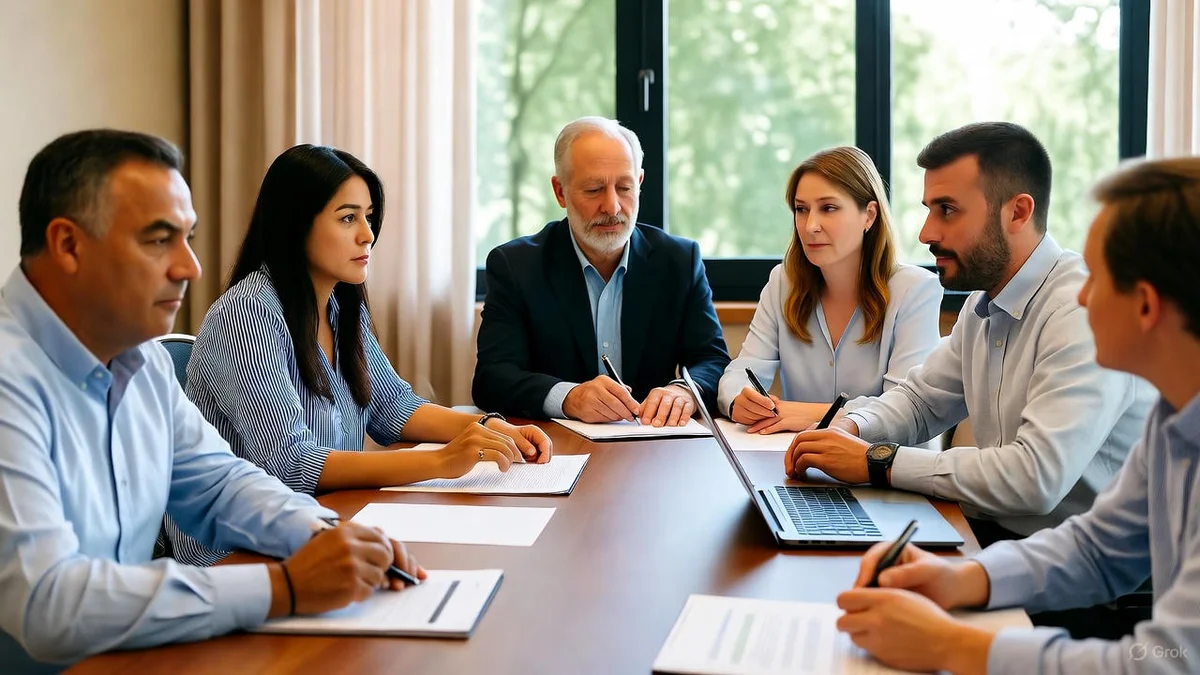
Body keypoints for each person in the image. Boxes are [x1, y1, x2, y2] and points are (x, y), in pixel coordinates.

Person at [0, 130, 424, 675]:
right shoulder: (11, 378)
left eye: (188, 238)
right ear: (68, 245)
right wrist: (283, 587)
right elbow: (48, 603)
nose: (190, 267)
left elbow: (221, 484)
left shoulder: (140, 360)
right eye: (159, 240)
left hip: (134, 653)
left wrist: (324, 534)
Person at [834, 156, 1200, 675]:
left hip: (1112, 615)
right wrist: (963, 578)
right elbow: (1098, 549)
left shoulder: (1066, 311)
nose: (1083, 295)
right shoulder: (1174, 416)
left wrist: (951, 646)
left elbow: (1168, 664)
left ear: (1145, 306)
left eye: (1097, 278)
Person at [167, 144, 551, 567]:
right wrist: (441, 460)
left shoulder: (340, 305)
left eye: (368, 216)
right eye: (348, 218)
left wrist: (488, 428)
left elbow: (393, 408)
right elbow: (290, 464)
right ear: (296, 225)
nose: (367, 234)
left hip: (325, 521)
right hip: (233, 552)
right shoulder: (246, 312)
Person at [784, 122, 1154, 542]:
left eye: (947, 210)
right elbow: (921, 402)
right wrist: (851, 428)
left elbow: (1033, 479)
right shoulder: (985, 304)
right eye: (928, 209)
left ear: (1018, 212)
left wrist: (876, 461)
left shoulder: (1079, 312)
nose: (926, 233)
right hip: (1006, 536)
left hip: (1079, 563)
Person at [473, 116, 731, 425]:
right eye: (594, 190)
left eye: (624, 188)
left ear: (640, 183)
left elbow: (712, 360)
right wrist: (568, 397)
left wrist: (683, 391)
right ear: (560, 191)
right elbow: (493, 378)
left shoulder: (678, 260)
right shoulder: (515, 265)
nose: (612, 207)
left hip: (651, 440)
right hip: (556, 443)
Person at [717, 146, 943, 433]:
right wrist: (739, 399)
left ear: (869, 215)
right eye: (801, 209)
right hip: (797, 455)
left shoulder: (916, 289)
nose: (810, 226)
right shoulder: (783, 282)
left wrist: (813, 414)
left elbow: (905, 407)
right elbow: (741, 371)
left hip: (884, 457)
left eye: (828, 208)